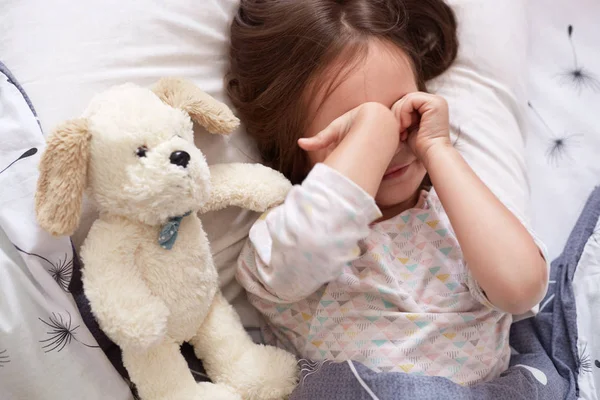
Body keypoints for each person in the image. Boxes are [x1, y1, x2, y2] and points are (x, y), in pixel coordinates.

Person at [227, 0, 548, 385]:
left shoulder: (459, 215)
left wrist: (439, 150)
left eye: (401, 111)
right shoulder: (280, 239)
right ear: (293, 144)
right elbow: (311, 245)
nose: (390, 145)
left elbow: (521, 290)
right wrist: (374, 128)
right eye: (353, 127)